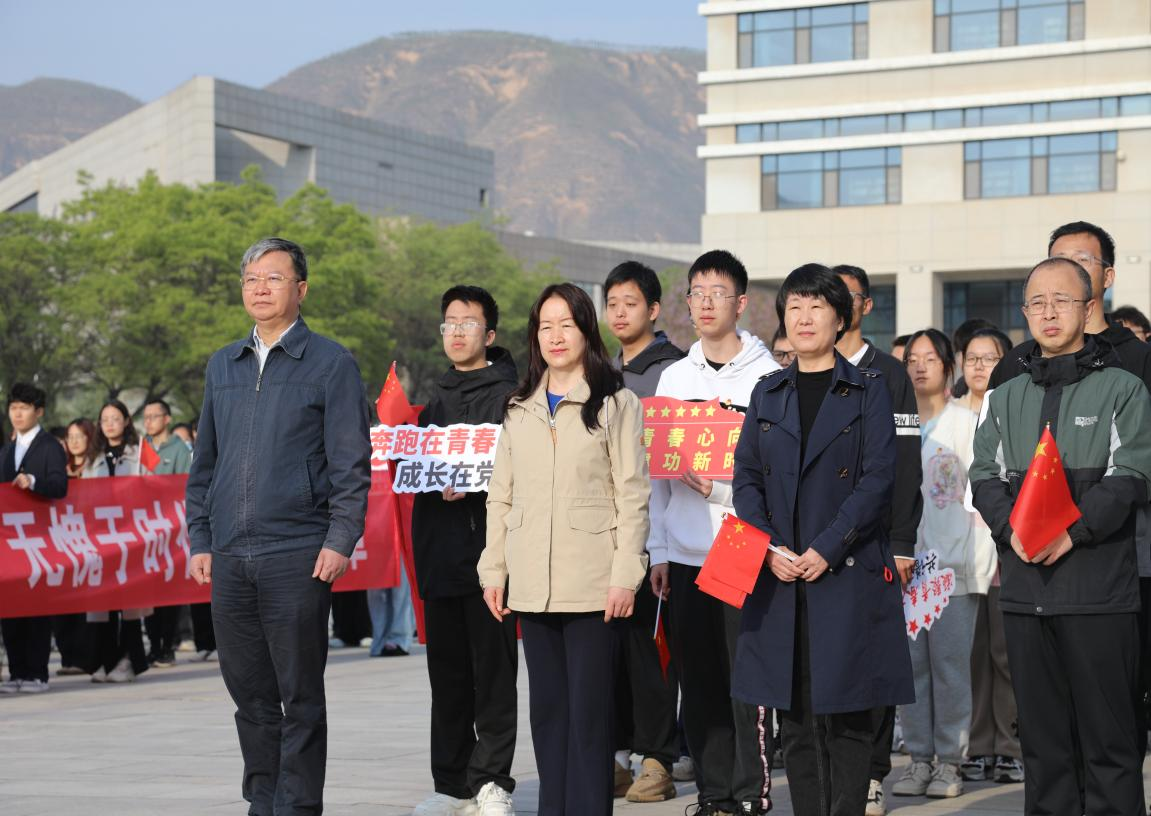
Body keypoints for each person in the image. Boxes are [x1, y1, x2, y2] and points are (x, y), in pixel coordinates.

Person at [185, 237, 372, 816]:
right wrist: (200, 536)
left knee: (300, 696)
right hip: (231, 556)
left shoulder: (331, 362)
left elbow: (350, 463)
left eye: (273, 278)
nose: (260, 289)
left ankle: (297, 807)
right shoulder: (224, 365)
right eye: (251, 279)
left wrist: (341, 538)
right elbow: (204, 463)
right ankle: (262, 801)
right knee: (249, 696)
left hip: (297, 551)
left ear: (301, 289)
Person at [971, 257, 1151, 816]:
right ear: (1025, 313)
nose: (1049, 313)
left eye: (1063, 300)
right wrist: (1015, 533)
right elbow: (984, 477)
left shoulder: (1123, 388)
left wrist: (1072, 533)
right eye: (1037, 303)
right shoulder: (1005, 396)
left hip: (1099, 597)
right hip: (1026, 596)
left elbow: (1132, 475)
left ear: (1088, 306)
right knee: (1044, 751)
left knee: (1110, 749)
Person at [731, 264, 913, 816]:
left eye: (817, 307)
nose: (804, 317)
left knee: (849, 719)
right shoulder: (767, 392)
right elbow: (746, 479)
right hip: (781, 576)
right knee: (798, 721)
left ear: (841, 318)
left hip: (846, 571)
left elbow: (880, 479)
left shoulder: (869, 391)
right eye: (794, 307)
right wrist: (767, 548)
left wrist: (827, 547)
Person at [479, 282, 650, 816]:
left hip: (595, 583)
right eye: (545, 326)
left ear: (585, 331)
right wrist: (494, 570)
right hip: (531, 584)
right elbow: (500, 496)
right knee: (548, 714)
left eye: (566, 325)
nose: (555, 336)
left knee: (590, 717)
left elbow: (633, 492)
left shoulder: (616, 403)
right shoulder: (518, 408)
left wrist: (627, 573)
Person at [647, 250, 780, 815]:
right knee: (697, 680)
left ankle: (751, 793)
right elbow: (656, 472)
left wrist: (721, 491)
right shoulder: (674, 377)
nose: (704, 303)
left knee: (744, 680)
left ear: (740, 303)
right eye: (695, 292)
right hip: (681, 548)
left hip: (740, 543)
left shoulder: (768, 377)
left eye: (716, 293)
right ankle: (713, 793)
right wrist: (656, 548)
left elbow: (776, 472)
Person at [410, 285, 520, 816]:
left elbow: (523, 470)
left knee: (493, 673)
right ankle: (450, 783)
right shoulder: (433, 399)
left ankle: (492, 780)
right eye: (448, 322)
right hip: (438, 552)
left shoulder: (511, 395)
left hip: (491, 556)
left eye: (468, 323)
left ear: (490, 335)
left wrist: (477, 482)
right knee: (448, 676)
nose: (456, 332)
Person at [831, 265, 923, 816]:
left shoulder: (890, 374)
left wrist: (903, 540)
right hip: (821, 545)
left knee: (875, 659)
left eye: (845, 298)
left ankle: (871, 773)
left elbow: (907, 464)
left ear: (864, 307)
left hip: (877, 545)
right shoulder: (803, 370)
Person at [889, 329, 994, 800]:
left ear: (947, 368)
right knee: (911, 667)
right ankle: (918, 759)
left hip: (952, 566)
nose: (920, 366)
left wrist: (983, 562)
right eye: (912, 358)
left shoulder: (966, 425)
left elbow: (982, 502)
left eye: (930, 358)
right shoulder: (895, 425)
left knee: (950, 665)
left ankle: (951, 762)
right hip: (906, 566)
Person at [604, 261, 685, 803]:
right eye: (612, 304)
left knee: (654, 651)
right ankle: (613, 757)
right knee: (610, 651)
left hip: (658, 533)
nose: (619, 313)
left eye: (630, 303)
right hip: (606, 535)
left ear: (654, 311)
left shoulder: (675, 371)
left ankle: (657, 759)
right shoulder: (598, 373)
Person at [954, 328, 1024, 785]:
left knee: (1005, 654)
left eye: (990, 357)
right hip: (958, 552)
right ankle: (977, 745)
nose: (979, 366)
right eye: (972, 358)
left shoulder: (1013, 408)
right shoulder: (948, 416)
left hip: (1001, 549)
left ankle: (1011, 745)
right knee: (973, 655)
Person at [0, 383, 68, 694]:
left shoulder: (49, 446)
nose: (17, 413)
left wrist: (33, 480)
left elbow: (60, 485)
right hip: (11, 541)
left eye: (24, 408)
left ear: (38, 411)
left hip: (40, 539)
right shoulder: (7, 448)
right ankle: (16, 671)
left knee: (37, 607)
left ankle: (37, 672)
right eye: (13, 407)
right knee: (11, 606)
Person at [84, 399, 150, 684]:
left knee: (130, 600)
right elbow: (83, 497)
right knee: (103, 601)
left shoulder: (141, 452)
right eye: (104, 419)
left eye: (115, 418)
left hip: (131, 534)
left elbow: (155, 487)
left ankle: (129, 660)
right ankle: (104, 658)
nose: (110, 423)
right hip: (100, 536)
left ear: (126, 421)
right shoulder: (92, 457)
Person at [140, 398, 193, 669]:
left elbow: (186, 484)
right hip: (144, 528)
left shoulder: (180, 449)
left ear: (167, 418)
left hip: (171, 528)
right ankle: (153, 644)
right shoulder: (140, 448)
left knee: (168, 590)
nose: (149, 421)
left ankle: (168, 645)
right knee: (148, 591)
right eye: (145, 417)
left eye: (154, 416)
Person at [54, 417, 100, 675]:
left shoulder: (97, 469)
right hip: (62, 545)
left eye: (80, 436)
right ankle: (66, 656)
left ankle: (85, 658)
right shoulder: (58, 470)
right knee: (62, 604)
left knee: (86, 605)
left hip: (90, 545)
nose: (74, 441)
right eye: (70, 436)